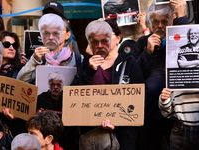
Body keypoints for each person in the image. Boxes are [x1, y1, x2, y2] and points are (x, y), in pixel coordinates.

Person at [72, 19, 144, 150]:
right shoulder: (85, 65)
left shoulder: (130, 64)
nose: (99, 45)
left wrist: (118, 121)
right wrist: (89, 71)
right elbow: (74, 98)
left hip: (123, 134)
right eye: (94, 42)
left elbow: (139, 101)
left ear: (115, 39)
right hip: (92, 133)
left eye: (104, 41)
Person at [132, 0, 189, 150]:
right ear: (149, 22)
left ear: (172, 19)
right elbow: (132, 76)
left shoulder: (180, 38)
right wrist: (148, 53)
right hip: (150, 113)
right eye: (155, 21)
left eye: (164, 21)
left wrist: (182, 18)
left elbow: (190, 46)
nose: (160, 26)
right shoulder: (142, 42)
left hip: (178, 114)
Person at [17, 13, 83, 84]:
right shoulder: (39, 57)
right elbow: (20, 82)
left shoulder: (77, 59)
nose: (51, 37)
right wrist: (34, 60)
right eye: (46, 33)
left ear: (68, 35)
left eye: (56, 33)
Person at [0, 31, 28, 137]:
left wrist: (17, 114)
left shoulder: (22, 70)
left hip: (17, 129)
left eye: (14, 45)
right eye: (7, 45)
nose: (11, 48)